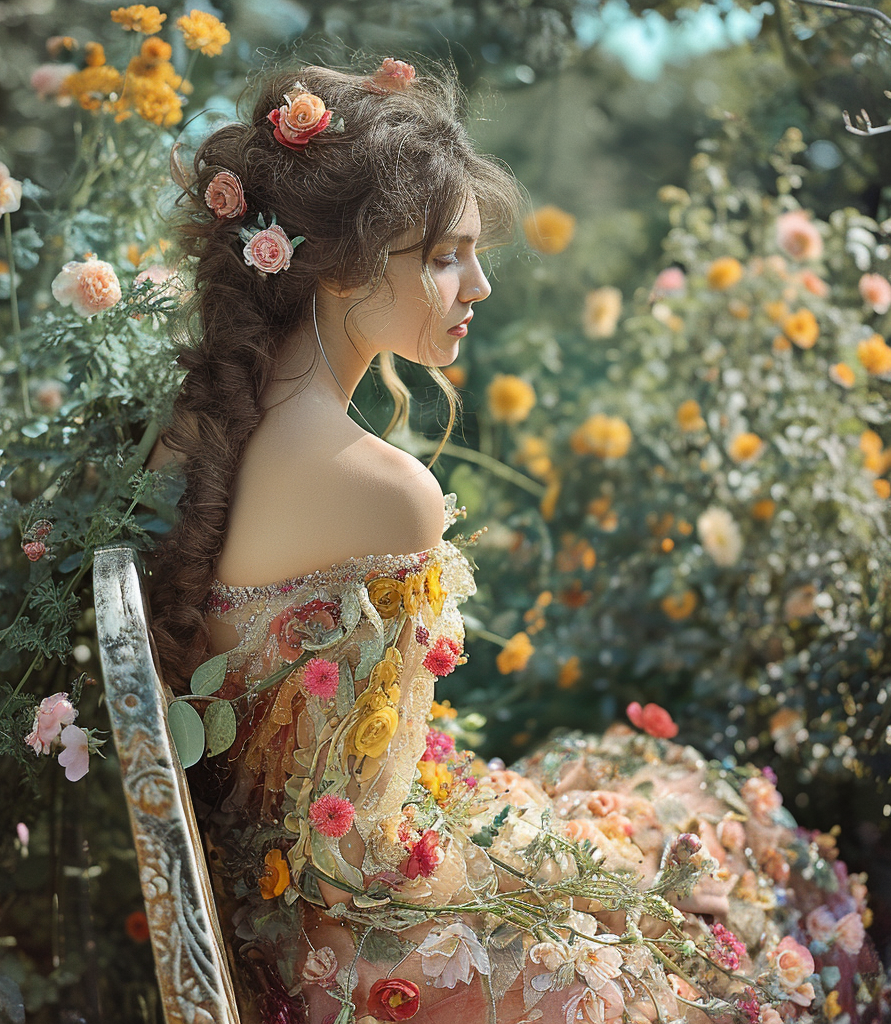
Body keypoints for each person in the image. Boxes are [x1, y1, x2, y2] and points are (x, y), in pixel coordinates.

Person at [149, 61, 888, 1024]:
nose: (480, 283)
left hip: (272, 895)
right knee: (698, 915)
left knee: (655, 794)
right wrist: (587, 888)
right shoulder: (384, 492)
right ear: (341, 264)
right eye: (446, 255)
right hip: (354, 932)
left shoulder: (197, 433)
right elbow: (374, 843)